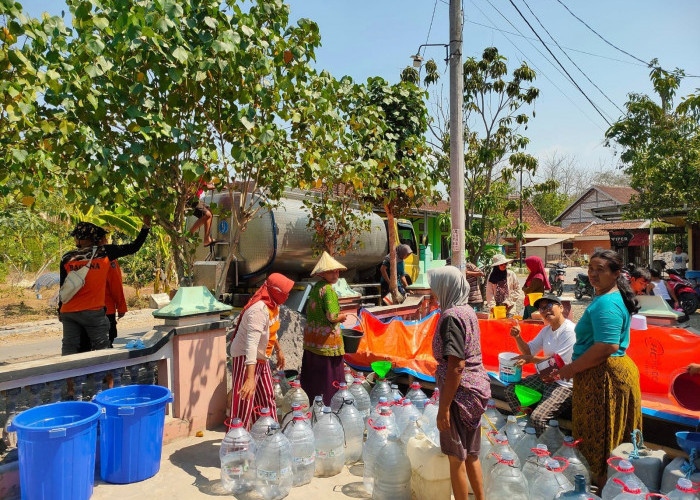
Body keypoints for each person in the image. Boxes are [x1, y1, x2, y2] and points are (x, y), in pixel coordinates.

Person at [554, 250, 642, 488]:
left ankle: (602, 488)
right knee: (605, 439)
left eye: (600, 269)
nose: (593, 274)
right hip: (601, 372)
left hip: (603, 377)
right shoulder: (608, 298)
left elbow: (607, 346)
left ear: (616, 274)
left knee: (600, 440)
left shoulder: (607, 303)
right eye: (591, 268)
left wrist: (570, 369)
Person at [427, 266, 490, 500]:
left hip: (459, 393)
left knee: (456, 458)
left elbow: (456, 366)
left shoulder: (450, 317)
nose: (432, 293)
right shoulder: (468, 311)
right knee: (472, 454)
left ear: (445, 288)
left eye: (435, 288)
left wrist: (443, 409)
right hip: (477, 389)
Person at [59, 218, 150, 355]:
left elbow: (63, 287)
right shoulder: (104, 252)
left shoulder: (67, 258)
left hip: (69, 312)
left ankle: (70, 377)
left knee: (70, 350)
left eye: (77, 237)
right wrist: (146, 227)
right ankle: (108, 377)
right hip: (93, 311)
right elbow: (134, 247)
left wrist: (60, 310)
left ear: (80, 239)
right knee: (103, 351)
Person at [229, 273, 294, 429]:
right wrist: (250, 378)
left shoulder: (273, 305)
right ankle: (238, 444)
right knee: (245, 401)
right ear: (277, 291)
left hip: (260, 357)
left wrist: (278, 350)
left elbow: (270, 330)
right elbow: (251, 345)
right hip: (245, 357)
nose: (288, 296)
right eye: (286, 292)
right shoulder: (258, 310)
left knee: (267, 396)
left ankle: (270, 434)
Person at [505, 296, 576, 435]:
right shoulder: (546, 331)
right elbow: (528, 351)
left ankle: (544, 449)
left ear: (561, 308)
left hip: (563, 383)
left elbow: (558, 362)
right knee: (510, 391)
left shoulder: (570, 330)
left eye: (549, 306)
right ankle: (525, 427)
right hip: (546, 377)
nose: (545, 311)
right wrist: (518, 337)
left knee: (538, 418)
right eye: (542, 308)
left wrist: (530, 359)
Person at [301, 252, 348, 406]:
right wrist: (342, 317)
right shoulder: (328, 290)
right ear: (322, 273)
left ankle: (312, 404)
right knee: (329, 378)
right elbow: (332, 317)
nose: (336, 274)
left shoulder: (316, 288)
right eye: (331, 271)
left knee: (314, 377)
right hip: (327, 343)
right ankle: (330, 405)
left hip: (313, 341)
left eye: (337, 271)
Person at [188, 177, 217, 247]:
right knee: (207, 215)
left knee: (209, 212)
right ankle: (189, 234)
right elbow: (203, 186)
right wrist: (216, 187)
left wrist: (215, 184)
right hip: (190, 198)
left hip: (195, 198)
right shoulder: (199, 168)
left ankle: (207, 239)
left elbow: (206, 182)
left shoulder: (204, 169)